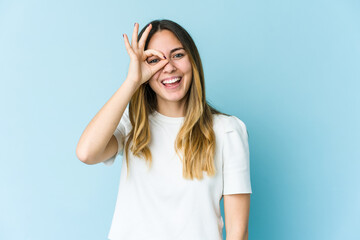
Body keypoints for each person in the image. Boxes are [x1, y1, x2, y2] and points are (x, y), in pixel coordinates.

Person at [76, 19, 252, 240]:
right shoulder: (132, 125)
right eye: (154, 60)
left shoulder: (227, 130)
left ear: (193, 60)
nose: (168, 67)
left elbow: (238, 233)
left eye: (178, 55)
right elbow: (86, 153)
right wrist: (132, 80)